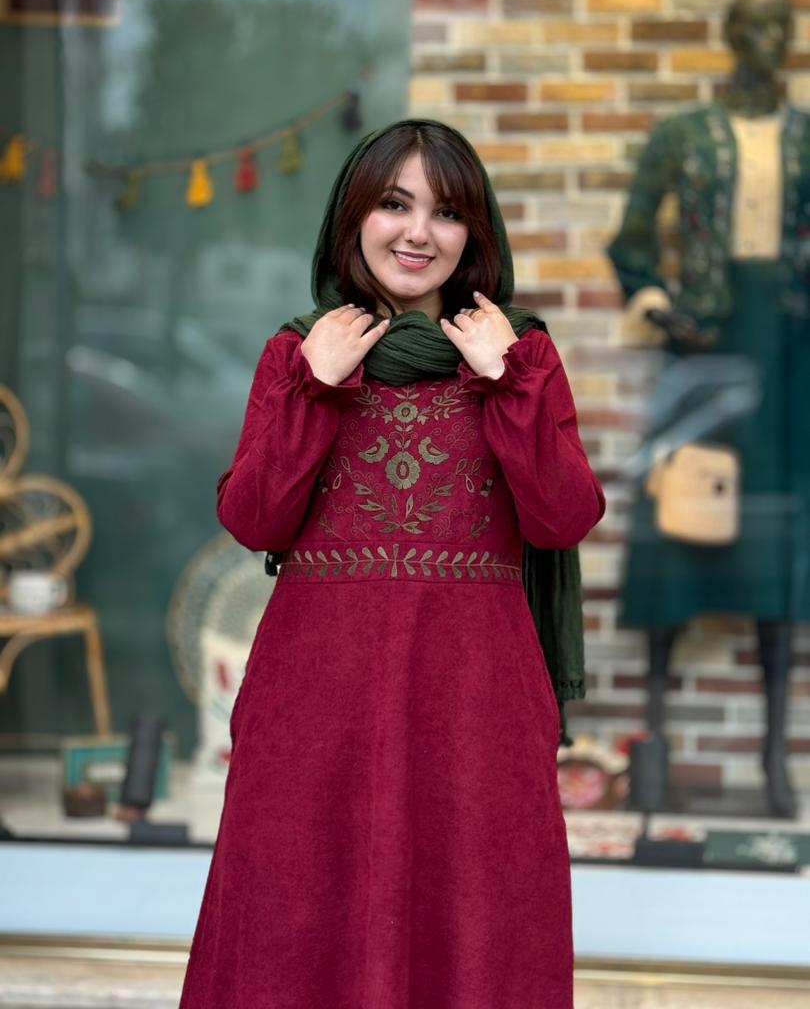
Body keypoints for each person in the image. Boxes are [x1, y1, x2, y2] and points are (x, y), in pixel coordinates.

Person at [179, 119, 604, 1008]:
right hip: (314, 707)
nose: (418, 233)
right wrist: (316, 386)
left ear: (474, 232)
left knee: (478, 923)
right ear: (353, 218)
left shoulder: (520, 352)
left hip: (475, 707)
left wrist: (505, 380)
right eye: (394, 205)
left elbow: (563, 519)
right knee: (295, 923)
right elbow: (255, 519)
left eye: (446, 213)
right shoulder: (297, 352)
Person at [608, 0, 810, 819]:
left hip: (790, 358)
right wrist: (660, 308)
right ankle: (652, 745)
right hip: (702, 352)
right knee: (677, 525)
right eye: (755, 25)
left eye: (782, 27)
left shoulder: (807, 138)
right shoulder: (683, 136)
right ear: (730, 33)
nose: (770, 42)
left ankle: (774, 756)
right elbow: (630, 242)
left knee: (780, 535)